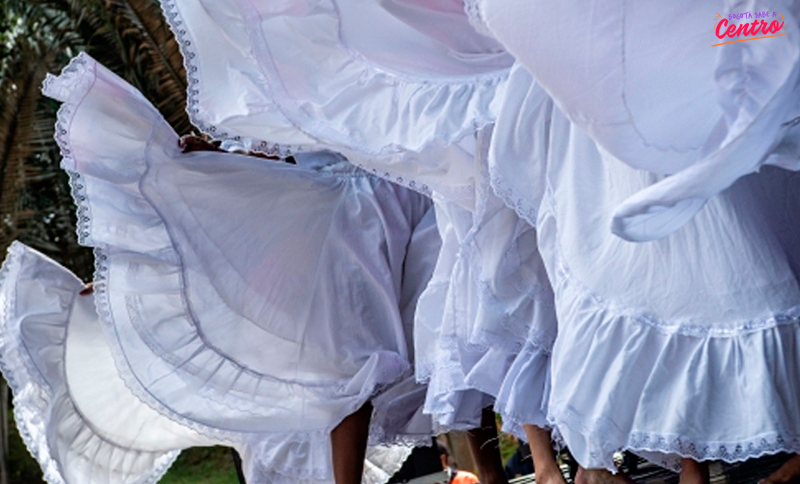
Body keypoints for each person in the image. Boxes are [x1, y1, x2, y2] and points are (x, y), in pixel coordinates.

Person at [3, 51, 446, 484]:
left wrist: (225, 160)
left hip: (356, 206)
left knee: (345, 359)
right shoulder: (275, 82)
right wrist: (219, 157)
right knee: (334, 364)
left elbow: (276, 170)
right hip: (326, 219)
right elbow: (250, 192)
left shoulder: (329, 69)